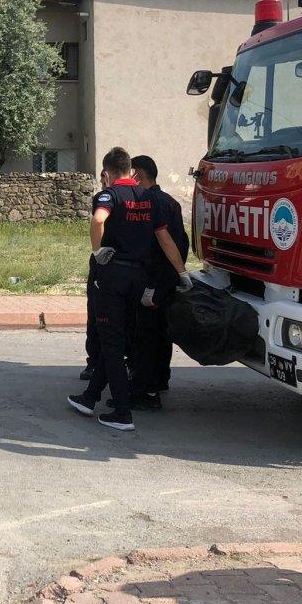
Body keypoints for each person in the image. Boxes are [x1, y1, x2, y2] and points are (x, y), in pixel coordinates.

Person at [68, 148, 191, 431]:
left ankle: (122, 413)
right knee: (121, 341)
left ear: (109, 172)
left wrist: (97, 251)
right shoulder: (149, 198)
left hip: (112, 278)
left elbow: (98, 219)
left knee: (110, 343)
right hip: (139, 279)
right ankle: (90, 397)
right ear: (130, 171)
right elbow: (165, 239)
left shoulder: (109, 195)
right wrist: (181, 272)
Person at [128, 155, 190, 410]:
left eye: (132, 175)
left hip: (153, 280)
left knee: (146, 337)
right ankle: (160, 381)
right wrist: (178, 276)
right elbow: (182, 242)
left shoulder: (146, 203)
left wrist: (157, 283)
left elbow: (163, 242)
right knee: (161, 335)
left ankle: (146, 392)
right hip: (166, 280)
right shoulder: (170, 201)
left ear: (139, 175)